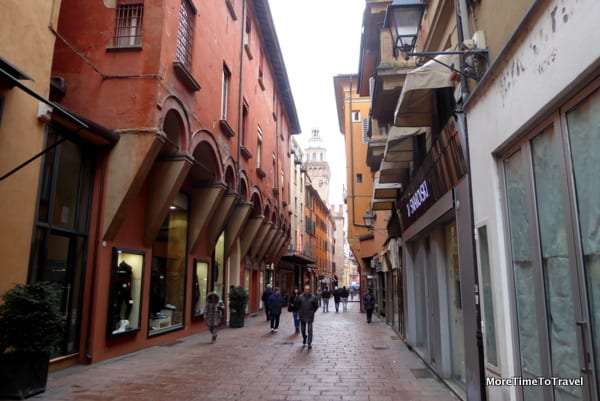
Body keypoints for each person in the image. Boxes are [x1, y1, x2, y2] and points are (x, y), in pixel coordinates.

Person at [294, 285, 319, 349]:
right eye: (305, 289)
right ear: (304, 290)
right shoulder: (300, 297)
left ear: (310, 290)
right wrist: (299, 312)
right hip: (302, 315)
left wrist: (313, 311)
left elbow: (316, 306)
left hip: (310, 315)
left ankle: (309, 343)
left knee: (310, 330)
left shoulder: (313, 297)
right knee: (302, 330)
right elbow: (297, 305)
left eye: (308, 289)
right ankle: (304, 337)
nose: (307, 290)